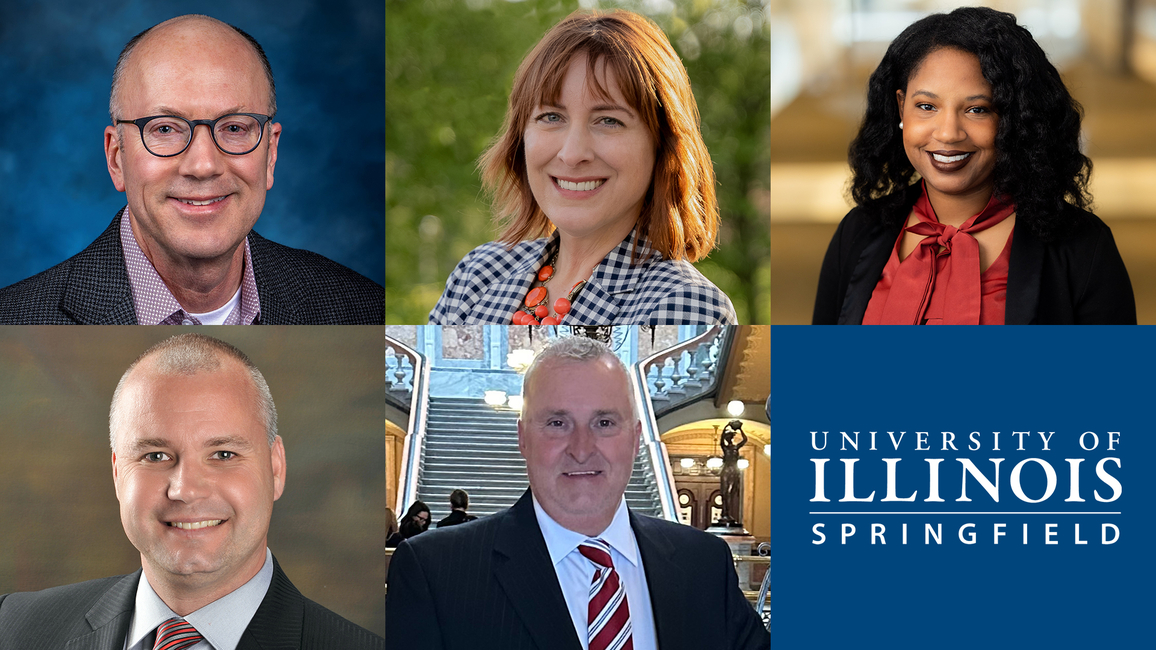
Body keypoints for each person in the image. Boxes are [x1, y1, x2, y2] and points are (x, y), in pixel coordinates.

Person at [0, 333, 383, 648]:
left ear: (276, 467)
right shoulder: (14, 628)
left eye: (223, 453)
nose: (184, 490)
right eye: (155, 456)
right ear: (118, 474)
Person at [386, 336, 768, 649]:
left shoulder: (703, 563)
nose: (582, 448)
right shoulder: (435, 571)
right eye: (557, 422)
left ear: (636, 439)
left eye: (604, 422)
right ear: (522, 438)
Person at [0, 15, 383, 325]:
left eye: (234, 128)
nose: (203, 165)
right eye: (165, 129)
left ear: (270, 154)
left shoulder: (362, 310)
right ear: (116, 157)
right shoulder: (15, 323)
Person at [813, 7, 1135, 325]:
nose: (948, 133)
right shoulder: (858, 232)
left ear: (1014, 119)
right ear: (901, 108)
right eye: (926, 106)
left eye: (977, 109)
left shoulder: (1084, 248)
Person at [429, 10, 736, 325]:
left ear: (662, 144)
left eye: (608, 120)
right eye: (551, 117)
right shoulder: (477, 276)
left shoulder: (687, 307)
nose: (572, 154)